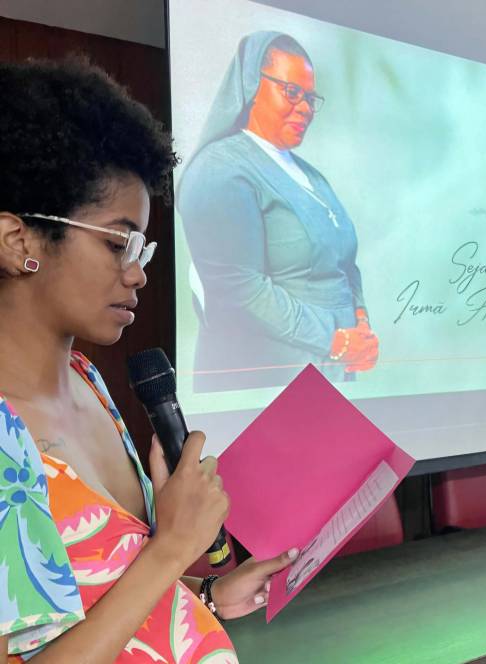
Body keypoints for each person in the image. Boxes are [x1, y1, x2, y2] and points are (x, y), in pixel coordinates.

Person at [0, 57, 298, 664]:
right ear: (17, 241)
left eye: (142, 247)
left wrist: (204, 592)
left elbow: (98, 589)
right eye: (118, 243)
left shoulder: (88, 381)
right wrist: (173, 546)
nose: (137, 273)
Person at [177, 32, 379, 391]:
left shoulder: (311, 176)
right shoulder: (219, 170)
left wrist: (360, 324)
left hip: (334, 370)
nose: (305, 108)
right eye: (291, 92)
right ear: (252, 85)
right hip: (272, 386)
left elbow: (345, 263)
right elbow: (239, 288)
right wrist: (335, 340)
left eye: (310, 98)